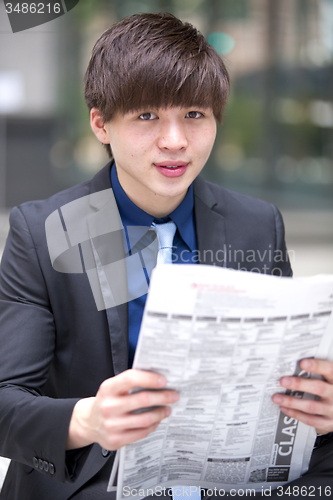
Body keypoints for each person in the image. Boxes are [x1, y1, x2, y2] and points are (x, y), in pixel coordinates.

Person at [0, 12, 332, 500]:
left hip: (229, 470)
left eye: (194, 115)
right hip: (98, 479)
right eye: (147, 116)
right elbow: (6, 400)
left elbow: (281, 371)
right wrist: (87, 419)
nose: (175, 141)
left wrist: (317, 403)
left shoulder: (256, 223)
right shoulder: (45, 230)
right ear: (101, 124)